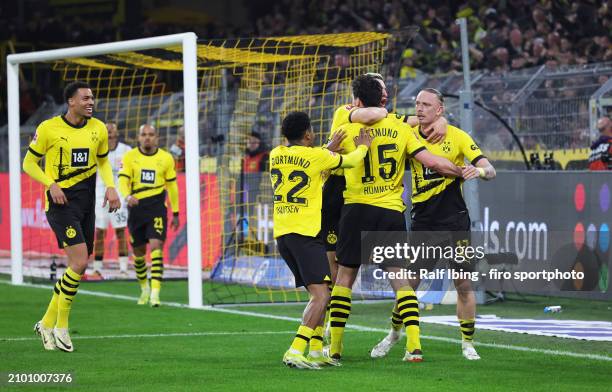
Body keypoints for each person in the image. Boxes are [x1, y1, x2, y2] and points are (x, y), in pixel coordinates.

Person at [328, 77, 463, 363]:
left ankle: (336, 348)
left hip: (356, 207)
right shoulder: (400, 127)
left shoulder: (343, 118)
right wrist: (461, 170)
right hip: (389, 212)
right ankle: (414, 346)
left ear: (358, 100)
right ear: (383, 99)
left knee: (345, 277)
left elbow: (330, 155)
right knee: (400, 279)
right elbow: (432, 162)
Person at [370, 88, 496, 361]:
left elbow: (490, 170)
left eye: (426, 104)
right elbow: (386, 122)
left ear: (439, 110)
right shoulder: (406, 134)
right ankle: (393, 333)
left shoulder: (458, 137)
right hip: (424, 222)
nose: (420, 108)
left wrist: (480, 171)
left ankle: (467, 342)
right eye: (417, 103)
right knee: (409, 285)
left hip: (455, 221)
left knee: (463, 284)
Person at [24, 81, 121, 352]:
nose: (91, 102)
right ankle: (61, 327)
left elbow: (102, 160)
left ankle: (45, 323)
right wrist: (50, 184)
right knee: (79, 261)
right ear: (71, 101)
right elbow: (28, 163)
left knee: (78, 265)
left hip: (87, 203)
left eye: (93, 98)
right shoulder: (48, 128)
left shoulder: (98, 128)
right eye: (85, 98)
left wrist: (111, 186)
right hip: (60, 203)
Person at [272, 111, 373, 369]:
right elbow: (350, 161)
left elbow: (310, 166)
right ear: (308, 134)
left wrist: (327, 148)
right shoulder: (317, 156)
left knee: (318, 294)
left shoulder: (276, 154)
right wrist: (363, 147)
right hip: (305, 234)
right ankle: (296, 349)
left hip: (283, 234)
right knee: (322, 297)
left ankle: (316, 350)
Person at [118, 124, 180, 307]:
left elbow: (173, 187)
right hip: (136, 208)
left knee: (156, 245)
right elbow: (122, 180)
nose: (147, 138)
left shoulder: (166, 158)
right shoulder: (130, 157)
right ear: (138, 137)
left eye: (151, 135)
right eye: (144, 135)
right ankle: (144, 287)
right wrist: (127, 196)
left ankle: (155, 293)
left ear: (157, 138)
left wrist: (175, 212)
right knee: (138, 253)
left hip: (157, 208)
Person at [91, 122, 132, 278]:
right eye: (106, 129)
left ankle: (123, 269)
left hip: (120, 197)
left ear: (116, 133)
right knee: (99, 232)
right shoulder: (96, 150)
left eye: (112, 128)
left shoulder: (126, 151)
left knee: (121, 231)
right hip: (100, 197)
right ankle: (97, 268)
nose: (109, 131)